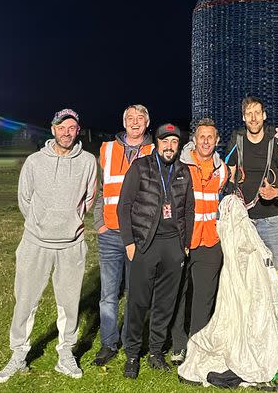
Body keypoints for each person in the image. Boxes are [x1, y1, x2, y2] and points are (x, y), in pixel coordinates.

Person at [0, 109, 97, 383]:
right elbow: (24, 199)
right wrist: (42, 224)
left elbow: (89, 199)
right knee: (26, 301)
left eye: (72, 127)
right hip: (35, 244)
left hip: (71, 246)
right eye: (62, 127)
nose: (67, 132)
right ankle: (18, 354)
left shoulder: (88, 162)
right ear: (53, 129)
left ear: (78, 131)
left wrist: (70, 222)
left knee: (69, 304)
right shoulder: (34, 161)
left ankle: (65, 354)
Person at [118, 123, 195, 379]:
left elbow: (189, 210)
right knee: (138, 302)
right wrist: (130, 242)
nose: (169, 146)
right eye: (165, 141)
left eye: (174, 142)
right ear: (157, 144)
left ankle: (155, 352)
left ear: (178, 146)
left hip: (173, 246)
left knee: (165, 303)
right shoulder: (141, 167)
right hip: (145, 244)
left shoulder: (183, 171)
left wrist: (184, 244)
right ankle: (132, 354)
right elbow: (124, 205)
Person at [91, 104, 154, 367]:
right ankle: (108, 343)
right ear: (124, 122)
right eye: (130, 118)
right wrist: (99, 223)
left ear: (147, 123)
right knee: (108, 294)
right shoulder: (107, 149)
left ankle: (131, 344)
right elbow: (100, 189)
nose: (135, 122)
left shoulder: (155, 150)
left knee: (135, 293)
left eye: (140, 118)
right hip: (110, 234)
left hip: (139, 236)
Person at [169, 118, 228, 364]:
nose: (205, 141)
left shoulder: (222, 170)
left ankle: (197, 343)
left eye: (210, 137)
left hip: (211, 241)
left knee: (204, 297)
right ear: (194, 139)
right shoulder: (180, 166)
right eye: (201, 136)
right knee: (178, 294)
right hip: (183, 240)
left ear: (216, 141)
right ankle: (178, 344)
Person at [225, 96, 278, 288]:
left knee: (277, 278)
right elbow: (228, 178)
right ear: (243, 118)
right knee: (246, 279)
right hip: (244, 222)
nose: (254, 118)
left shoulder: (274, 141)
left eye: (257, 113)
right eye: (249, 114)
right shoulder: (237, 141)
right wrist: (234, 193)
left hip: (271, 222)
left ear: (264, 115)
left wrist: (277, 192)